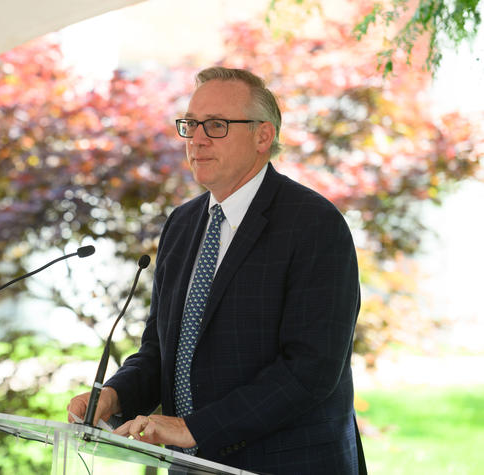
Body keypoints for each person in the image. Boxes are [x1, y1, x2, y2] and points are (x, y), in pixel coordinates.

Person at [68, 66, 365, 474]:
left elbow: (310, 370)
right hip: (190, 466)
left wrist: (193, 427)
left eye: (217, 125)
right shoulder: (183, 224)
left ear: (263, 136)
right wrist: (115, 396)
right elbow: (161, 350)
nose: (197, 139)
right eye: (190, 125)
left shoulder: (314, 224)